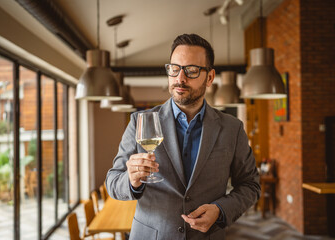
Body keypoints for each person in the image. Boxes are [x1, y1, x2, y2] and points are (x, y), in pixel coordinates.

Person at [106, 33, 260, 240]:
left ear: (210, 77)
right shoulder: (139, 121)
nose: (180, 78)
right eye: (175, 69)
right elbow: (113, 182)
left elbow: (250, 185)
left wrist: (220, 210)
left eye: (191, 70)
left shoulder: (232, 128)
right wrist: (132, 181)